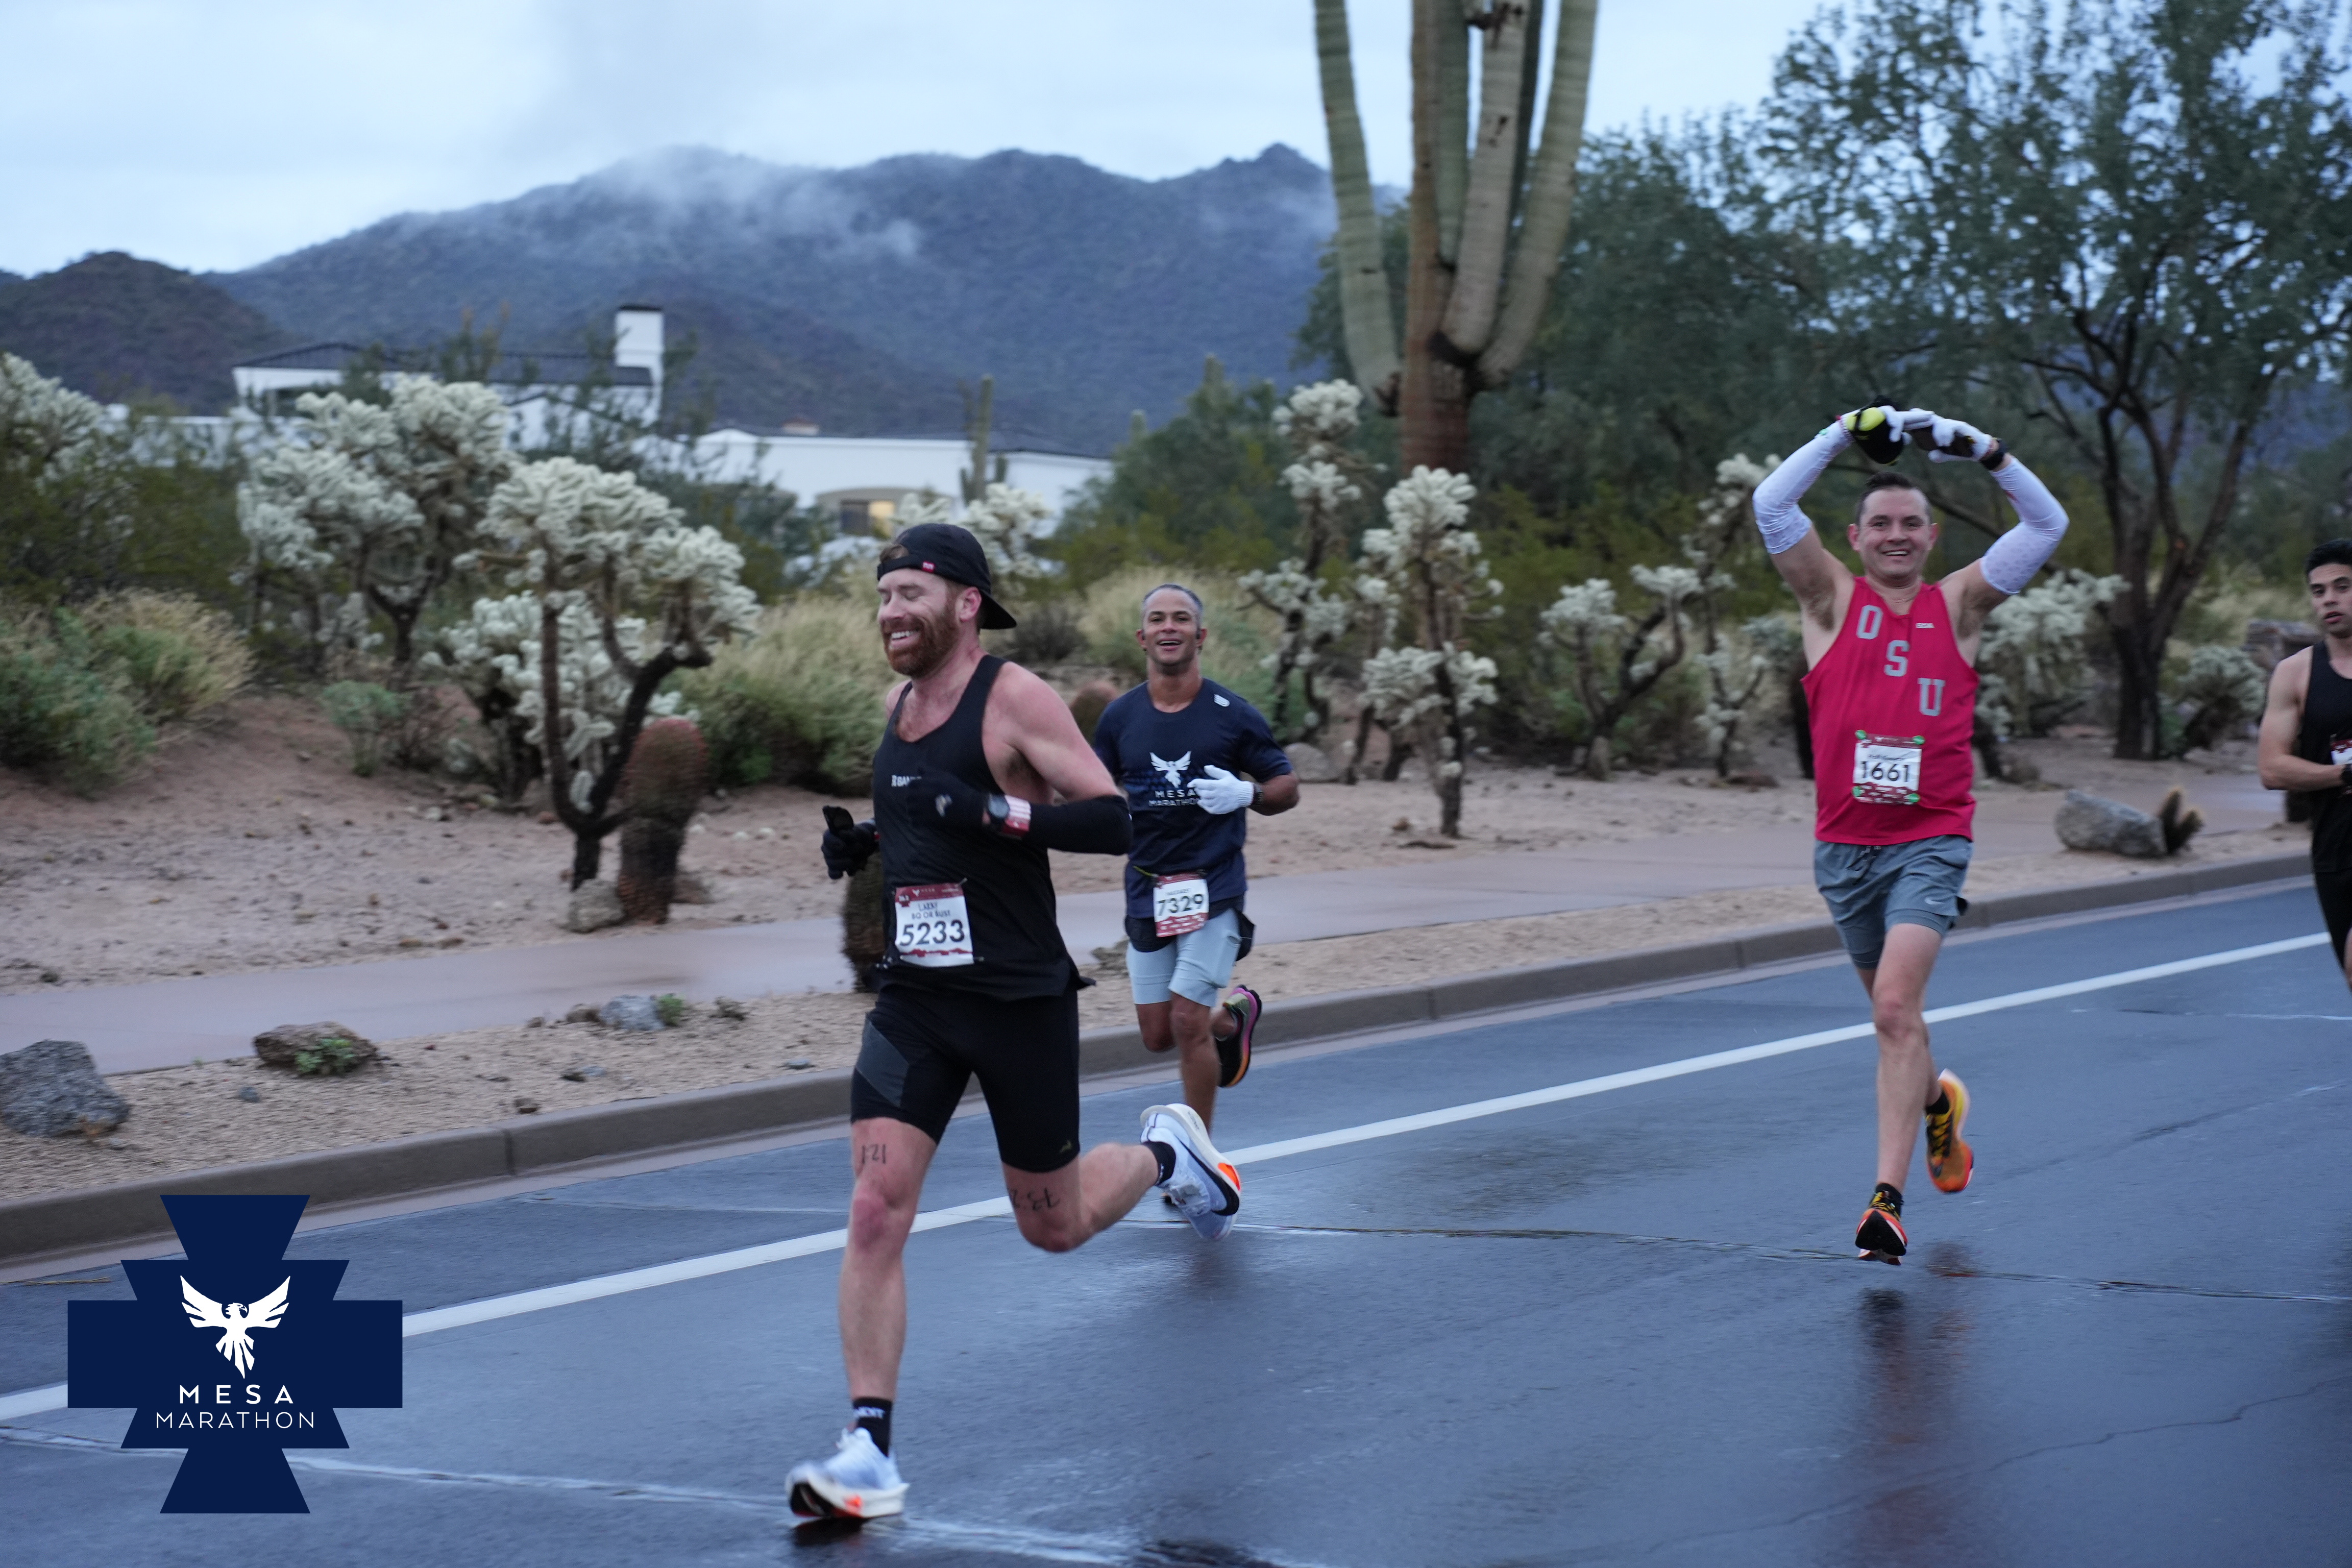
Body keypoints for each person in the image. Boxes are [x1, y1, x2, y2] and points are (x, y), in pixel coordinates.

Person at [786, 524, 1242, 1522]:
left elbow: (1110, 817)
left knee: (1054, 1225)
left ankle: (1169, 1152)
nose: (891, 612)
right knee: (874, 1211)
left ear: (965, 603)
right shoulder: (899, 706)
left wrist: (997, 815)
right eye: (882, 596)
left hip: (1016, 999)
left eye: (909, 594)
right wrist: (870, 839)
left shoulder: (1015, 697)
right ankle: (868, 1451)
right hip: (916, 1002)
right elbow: (932, 809)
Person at [1751, 405, 2070, 1262]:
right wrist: (1837, 433)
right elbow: (1771, 505)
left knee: (1895, 1008)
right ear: (1854, 538)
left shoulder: (1959, 606)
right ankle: (1939, 1105)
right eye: (1881, 524)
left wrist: (1985, 451)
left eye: (1911, 524)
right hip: (1843, 851)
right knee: (1898, 1024)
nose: (1896, 536)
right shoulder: (1828, 600)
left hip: (1930, 841)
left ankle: (1884, 1204)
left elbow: (2047, 525)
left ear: (1933, 537)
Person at [1091, 584, 1300, 1136]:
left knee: (1186, 1020)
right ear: (1142, 637)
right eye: (1158, 619)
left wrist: (1248, 793)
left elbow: (1287, 785)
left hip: (1214, 888)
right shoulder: (1119, 717)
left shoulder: (1233, 714)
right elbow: (1087, 784)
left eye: (1181, 619)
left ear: (1200, 635)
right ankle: (1230, 1020)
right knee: (1159, 1034)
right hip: (1147, 887)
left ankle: (1198, 1155)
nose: (1169, 627)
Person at [2256, 540, 2352, 988]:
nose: (2329, 599)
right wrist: (2344, 774)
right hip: (2337, 849)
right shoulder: (2296, 673)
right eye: (2319, 591)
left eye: (2342, 587)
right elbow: (2272, 768)